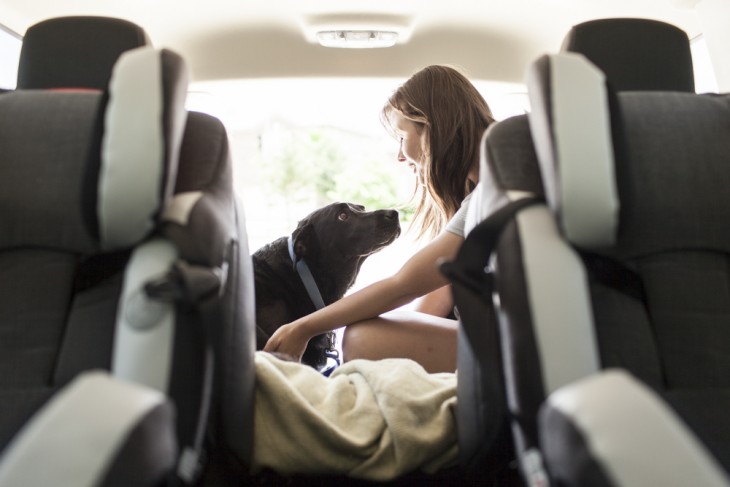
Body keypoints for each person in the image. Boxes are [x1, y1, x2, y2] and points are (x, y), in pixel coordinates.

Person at [264, 65, 496, 373]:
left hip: (514, 350)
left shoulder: (491, 192)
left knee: (363, 338)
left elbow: (402, 284)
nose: (401, 155)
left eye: (402, 136)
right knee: (367, 330)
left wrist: (302, 328)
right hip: (505, 339)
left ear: (431, 127)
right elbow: (428, 303)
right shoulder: (488, 192)